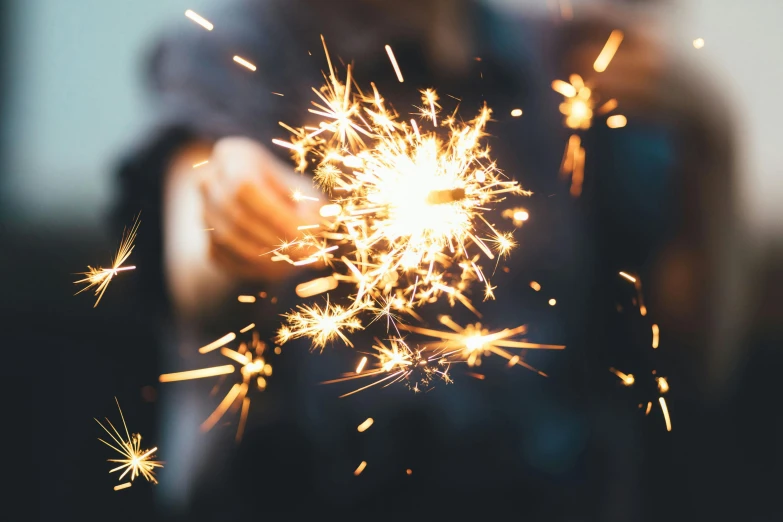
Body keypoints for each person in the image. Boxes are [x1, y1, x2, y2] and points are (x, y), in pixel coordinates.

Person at [117, 0, 742, 519]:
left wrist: (711, 145)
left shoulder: (568, 64)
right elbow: (195, 264)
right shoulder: (239, 51)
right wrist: (234, 225)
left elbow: (691, 355)